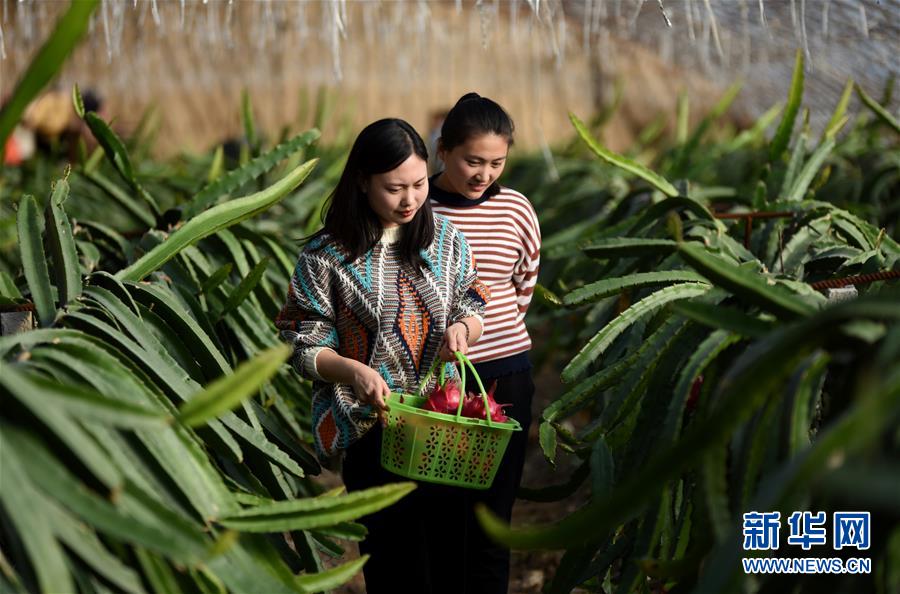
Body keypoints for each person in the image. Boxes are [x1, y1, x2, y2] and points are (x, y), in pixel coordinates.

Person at [275, 118, 490, 593]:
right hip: (370, 426)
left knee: (448, 557)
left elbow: (473, 299)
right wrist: (353, 371)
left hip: (440, 424)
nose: (411, 199)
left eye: (418, 184)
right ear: (362, 182)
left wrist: (463, 327)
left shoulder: (446, 240)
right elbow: (301, 341)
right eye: (395, 188)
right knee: (394, 562)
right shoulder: (326, 255)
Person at [429, 93, 541, 594]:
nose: (484, 174)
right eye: (472, 160)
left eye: (497, 162)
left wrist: (492, 331)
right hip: (437, 382)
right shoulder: (419, 206)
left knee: (495, 512)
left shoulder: (516, 207)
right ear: (443, 151)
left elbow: (525, 281)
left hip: (506, 372)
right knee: (442, 509)